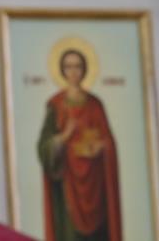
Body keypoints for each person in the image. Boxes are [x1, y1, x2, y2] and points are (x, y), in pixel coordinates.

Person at [38, 49, 121, 241]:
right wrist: (63, 137)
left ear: (84, 69)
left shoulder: (95, 104)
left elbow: (108, 141)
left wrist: (102, 146)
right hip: (68, 187)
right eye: (68, 67)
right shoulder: (55, 105)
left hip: (96, 187)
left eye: (78, 66)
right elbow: (44, 147)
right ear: (62, 70)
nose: (73, 71)